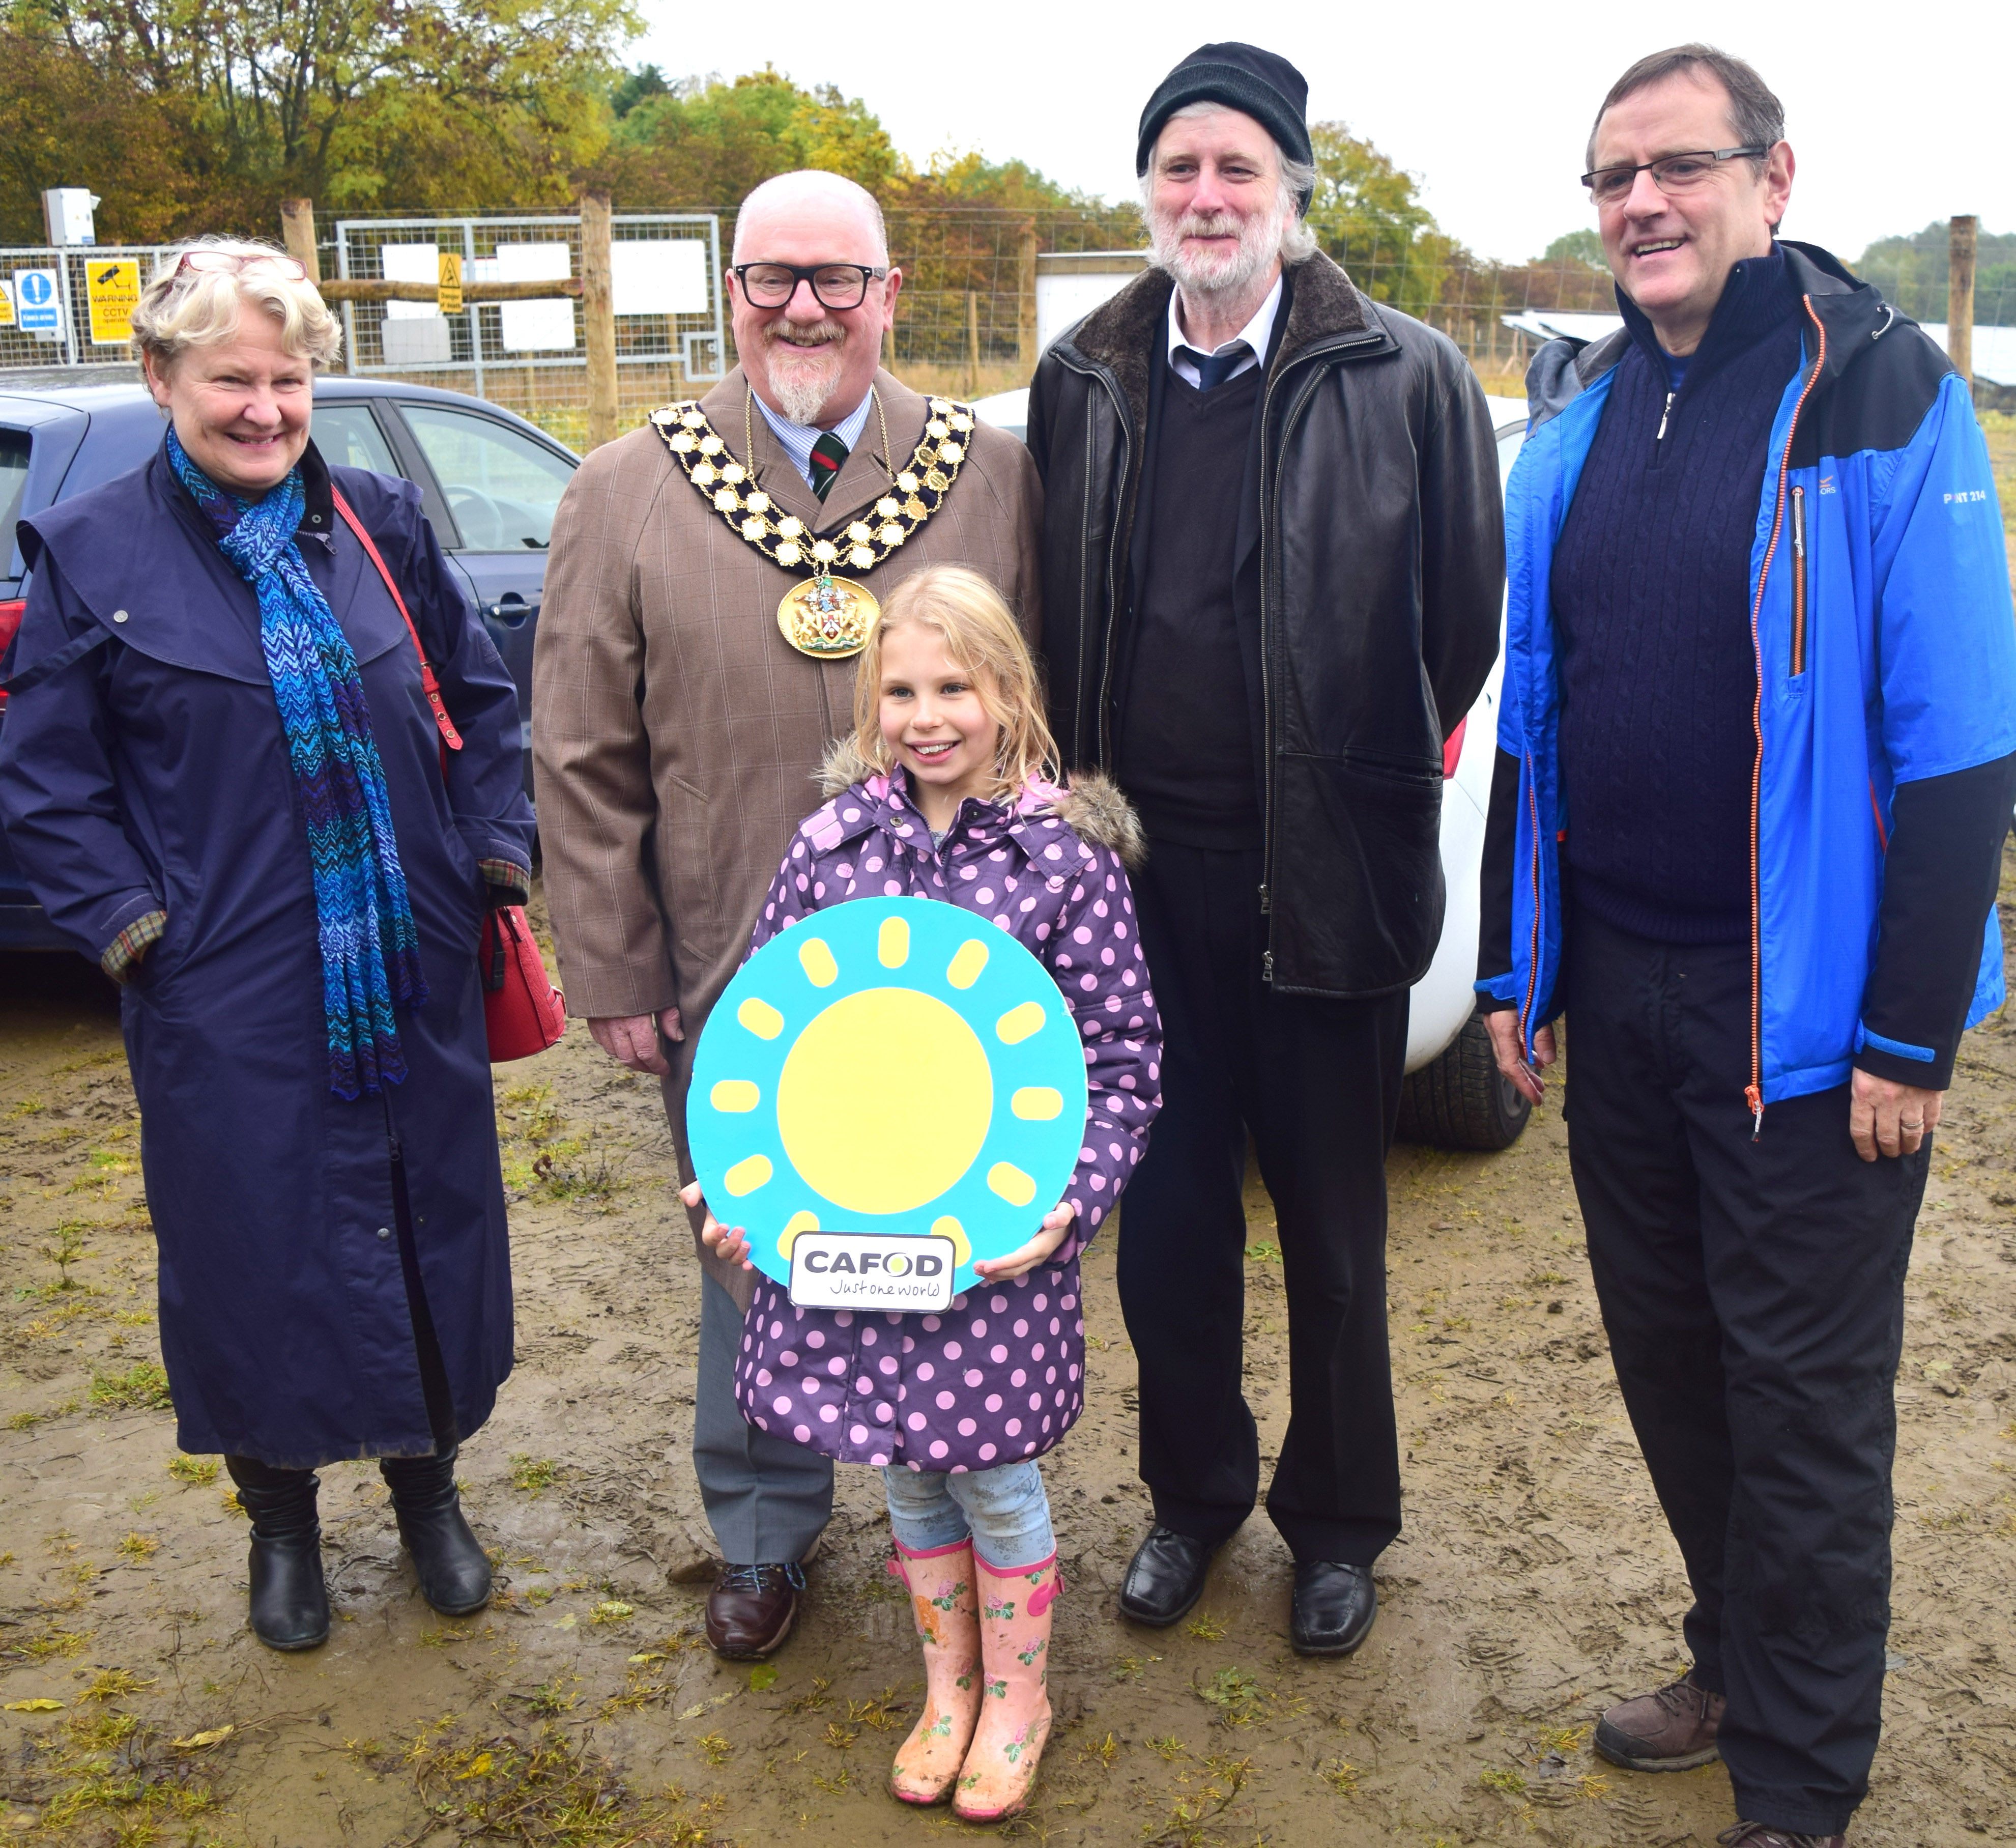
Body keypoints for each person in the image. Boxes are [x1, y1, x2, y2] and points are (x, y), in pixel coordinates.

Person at [1479, 46, 2016, 1848]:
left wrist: (1909, 1038)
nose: (1639, 201)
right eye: (1610, 174)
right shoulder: (1576, 414)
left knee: (1801, 1412)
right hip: (1620, 987)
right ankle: (1732, 1657)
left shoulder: (1880, 392)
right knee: (1671, 1363)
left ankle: (1797, 1778)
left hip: (1807, 1024)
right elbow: (1533, 714)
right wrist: (1513, 969)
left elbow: (1959, 745)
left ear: (1771, 181)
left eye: (1677, 166)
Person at [1026, 43, 1503, 1655]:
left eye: (1240, 169)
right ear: (1147, 191)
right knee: (1165, 1225)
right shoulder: (1084, 371)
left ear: (1295, 194)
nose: (1208, 197)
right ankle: (1192, 1498)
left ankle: (1338, 1524)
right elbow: (1054, 610)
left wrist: (1350, 776)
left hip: (1327, 872)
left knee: (1332, 1227)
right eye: (1181, 169)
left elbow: (1463, 616)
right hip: (1136, 889)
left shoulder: (1407, 373)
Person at [533, 170, 1043, 1661]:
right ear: (730, 293)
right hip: (730, 970)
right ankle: (764, 1529)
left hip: (958, 976)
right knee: (749, 1250)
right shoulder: (622, 485)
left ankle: (970, 1521)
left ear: (889, 293)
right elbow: (579, 753)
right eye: (771, 278)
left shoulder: (991, 473)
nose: (803, 306)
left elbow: (1051, 713)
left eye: (837, 278)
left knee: (962, 1241)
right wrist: (616, 968)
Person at [0, 239, 534, 1652]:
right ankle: (281, 1525)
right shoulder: (94, 552)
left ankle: (431, 1497)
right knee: (253, 1253)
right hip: (225, 992)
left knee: (426, 1229)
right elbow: (47, 783)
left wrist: (491, 847)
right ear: (160, 375)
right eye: (231, 378)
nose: (263, 409)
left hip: (408, 971)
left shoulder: (370, 517)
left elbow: (477, 694)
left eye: (287, 379)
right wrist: (134, 934)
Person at [684, 564, 1160, 1820]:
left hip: (988, 1245)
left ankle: (1019, 1698)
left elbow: (1119, 1064)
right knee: (898, 1464)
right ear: (868, 702)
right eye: (899, 689)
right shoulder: (830, 846)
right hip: (851, 1239)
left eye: (956, 685)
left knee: (990, 1471)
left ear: (1009, 694)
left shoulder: (1064, 864)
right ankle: (947, 1686)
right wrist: (742, 1191)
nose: (926, 713)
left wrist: (1069, 1205)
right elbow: (768, 1034)